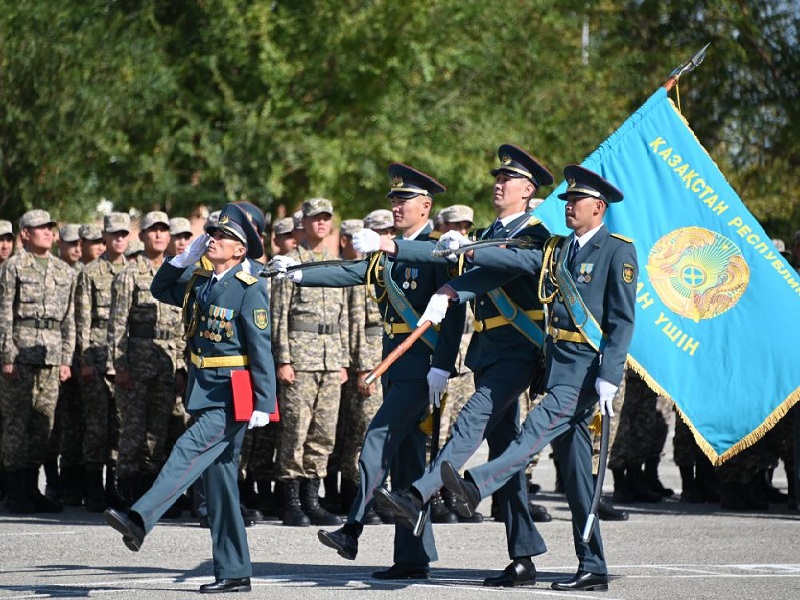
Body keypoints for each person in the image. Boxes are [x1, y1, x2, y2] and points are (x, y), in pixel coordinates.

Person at [435, 165, 637, 592]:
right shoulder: (561, 250)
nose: (568, 207)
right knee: (579, 478)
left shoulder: (617, 251)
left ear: (598, 208)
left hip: (584, 374)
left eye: (575, 201)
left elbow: (621, 321)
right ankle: (594, 565)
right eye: (565, 200)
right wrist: (471, 250)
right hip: (557, 367)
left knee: (531, 433)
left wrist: (610, 375)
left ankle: (476, 485)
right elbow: (520, 259)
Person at [373, 145, 555, 586]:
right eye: (497, 178)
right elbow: (452, 261)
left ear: (528, 190)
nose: (498, 184)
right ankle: (524, 556)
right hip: (488, 352)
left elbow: (512, 265)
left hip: (519, 350)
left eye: (507, 180)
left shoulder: (536, 230)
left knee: (472, 419)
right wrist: (400, 250)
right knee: (504, 454)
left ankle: (419, 493)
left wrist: (467, 260)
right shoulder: (492, 229)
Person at [274, 163, 465, 580]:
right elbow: (347, 272)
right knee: (408, 460)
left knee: (377, 441)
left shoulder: (437, 250)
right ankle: (413, 557)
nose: (396, 206)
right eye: (393, 199)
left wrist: (444, 366)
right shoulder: (386, 254)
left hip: (422, 366)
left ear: (426, 206)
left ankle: (353, 528)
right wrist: (294, 271)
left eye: (405, 200)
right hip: (395, 362)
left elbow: (454, 313)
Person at [104, 202, 275, 593]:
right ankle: (234, 571)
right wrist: (182, 259)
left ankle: (140, 518)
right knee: (220, 486)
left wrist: (264, 403)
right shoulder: (201, 282)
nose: (214, 239)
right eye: (213, 233)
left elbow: (261, 349)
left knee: (186, 449)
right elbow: (160, 288)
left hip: (232, 397)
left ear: (241, 250)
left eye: (225, 237)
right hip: (205, 389)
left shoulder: (249, 290)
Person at [271, 197, 349, 527]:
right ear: (302, 223)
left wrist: (344, 359)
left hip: (331, 360)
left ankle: (311, 498)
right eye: (315, 218)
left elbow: (343, 315)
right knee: (296, 430)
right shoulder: (288, 263)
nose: (320, 223)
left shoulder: (336, 264)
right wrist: (283, 360)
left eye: (326, 218)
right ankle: (290, 500)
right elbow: (278, 317)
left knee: (324, 433)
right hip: (299, 361)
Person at [107, 211, 186, 506]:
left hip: (165, 366)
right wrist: (120, 366)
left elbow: (181, 329)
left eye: (164, 230)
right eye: (153, 230)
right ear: (142, 236)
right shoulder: (129, 274)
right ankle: (127, 493)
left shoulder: (176, 274)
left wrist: (180, 368)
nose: (158, 235)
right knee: (132, 431)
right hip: (136, 368)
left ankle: (152, 496)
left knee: (159, 433)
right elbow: (117, 325)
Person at [0, 209, 76, 514]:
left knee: (44, 423)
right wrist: (7, 354)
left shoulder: (64, 270)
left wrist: (66, 358)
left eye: (50, 227)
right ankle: (14, 490)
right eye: (39, 227)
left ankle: (32, 487)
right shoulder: (13, 267)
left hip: (51, 355)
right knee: (17, 423)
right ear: (25, 234)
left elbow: (69, 318)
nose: (47, 232)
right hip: (20, 354)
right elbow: (4, 313)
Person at [75, 212, 131, 511]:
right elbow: (82, 318)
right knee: (96, 425)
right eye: (114, 234)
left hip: (121, 357)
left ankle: (114, 485)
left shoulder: (134, 271)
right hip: (96, 355)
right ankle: (93, 487)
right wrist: (84, 359)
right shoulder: (90, 272)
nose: (119, 238)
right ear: (104, 237)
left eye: (124, 234)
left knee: (120, 425)